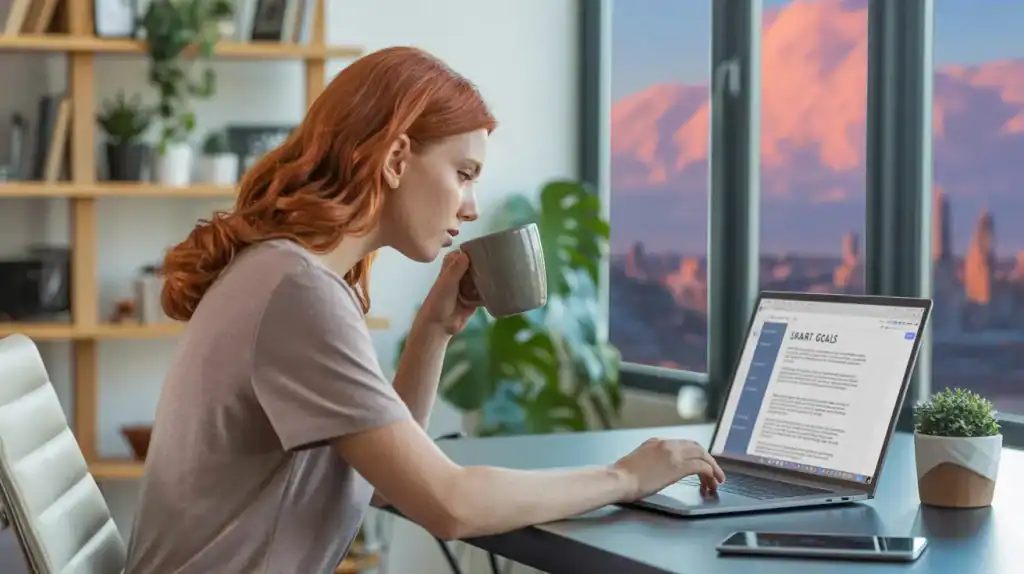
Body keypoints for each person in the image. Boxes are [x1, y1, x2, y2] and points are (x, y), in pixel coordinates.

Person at [124, 46, 725, 574]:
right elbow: (449, 504)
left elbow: (388, 481)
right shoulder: (299, 292)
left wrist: (433, 331)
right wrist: (626, 478)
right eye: (463, 174)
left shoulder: (286, 272)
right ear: (394, 159)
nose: (471, 206)